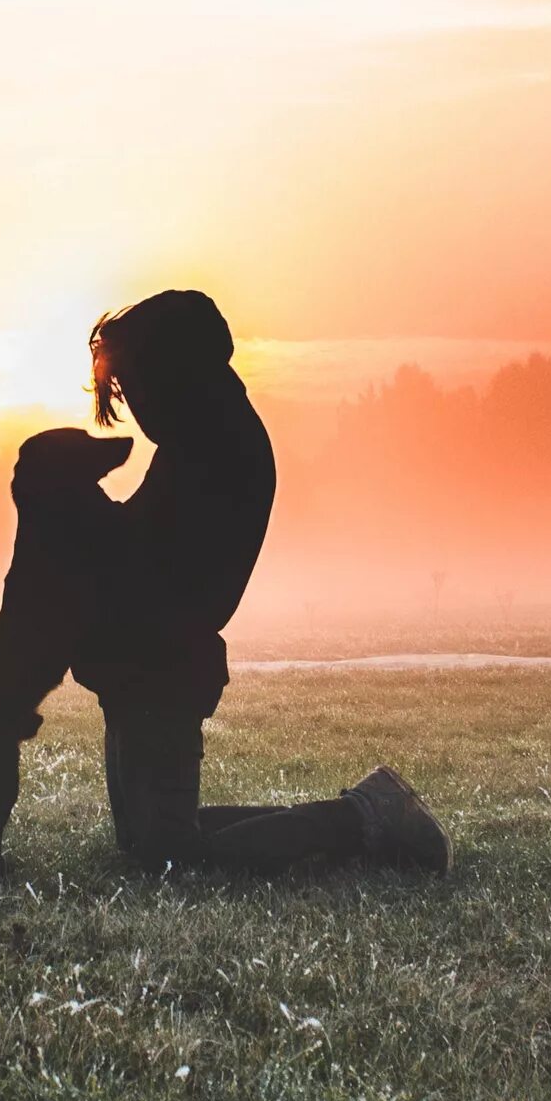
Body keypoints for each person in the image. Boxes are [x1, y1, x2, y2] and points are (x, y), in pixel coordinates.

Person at [69, 289, 449, 876]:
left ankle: (363, 818)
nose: (136, 409)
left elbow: (167, 567)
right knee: (151, 843)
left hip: (159, 670)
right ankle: (365, 812)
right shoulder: (200, 438)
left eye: (136, 387)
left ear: (172, 370)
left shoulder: (212, 446)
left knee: (170, 857)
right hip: (145, 669)